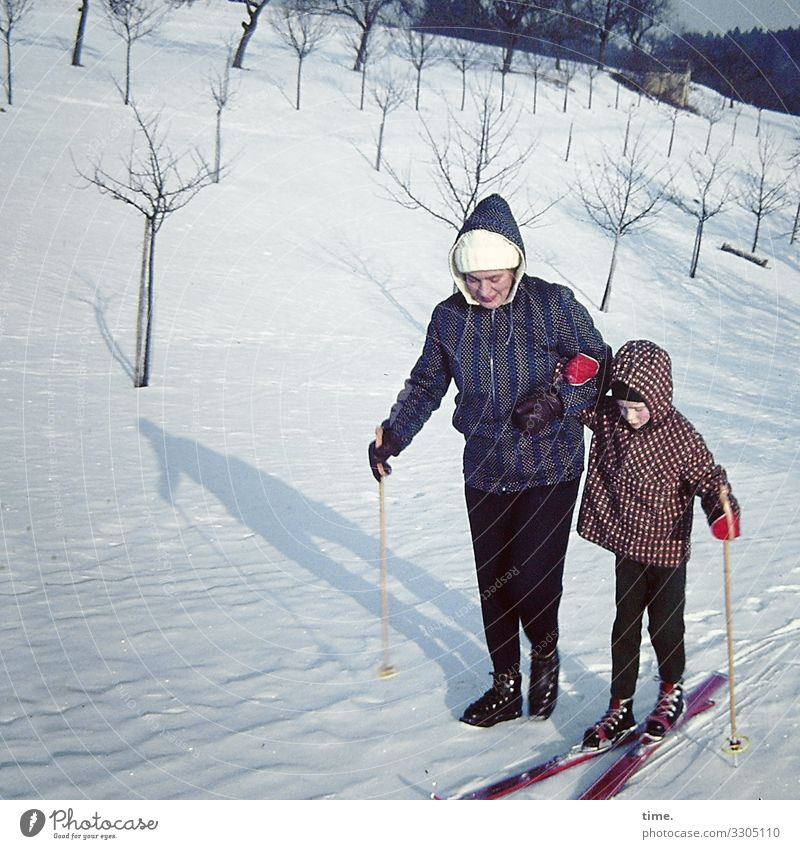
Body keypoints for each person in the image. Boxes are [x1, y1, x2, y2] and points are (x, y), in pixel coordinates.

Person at [368, 194, 610, 727]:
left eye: (494, 277)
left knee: (531, 580)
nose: (484, 289)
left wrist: (557, 402)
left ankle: (544, 652)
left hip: (551, 465)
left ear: (516, 263)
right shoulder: (450, 318)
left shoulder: (552, 304)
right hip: (485, 470)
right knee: (494, 580)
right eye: (473, 279)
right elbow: (427, 382)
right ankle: (505, 681)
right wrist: (394, 436)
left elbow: (597, 362)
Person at [573, 339, 741, 749]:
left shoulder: (680, 437)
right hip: (628, 544)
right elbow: (577, 403)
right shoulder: (611, 417)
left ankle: (670, 691)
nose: (629, 416)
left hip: (666, 549)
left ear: (660, 397)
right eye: (624, 406)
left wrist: (723, 511)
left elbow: (711, 480)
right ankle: (621, 705)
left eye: (638, 408)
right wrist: (581, 373)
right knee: (624, 626)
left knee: (665, 626)